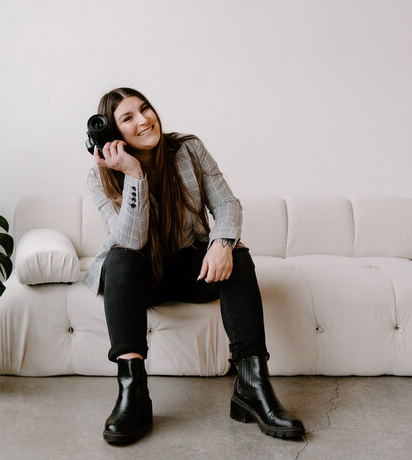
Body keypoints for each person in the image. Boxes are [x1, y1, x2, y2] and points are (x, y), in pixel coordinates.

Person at [85, 87, 305, 445]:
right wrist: (133, 175)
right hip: (140, 279)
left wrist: (221, 244)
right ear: (114, 134)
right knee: (120, 256)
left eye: (145, 109)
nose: (144, 120)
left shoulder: (189, 149)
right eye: (128, 118)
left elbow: (227, 204)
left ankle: (253, 387)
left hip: (192, 267)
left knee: (238, 254)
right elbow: (131, 239)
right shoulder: (101, 175)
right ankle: (133, 396)